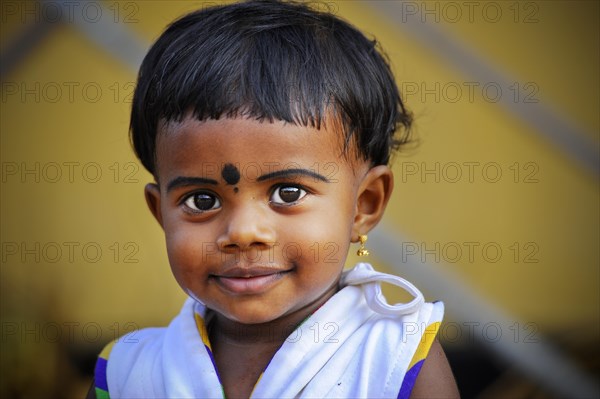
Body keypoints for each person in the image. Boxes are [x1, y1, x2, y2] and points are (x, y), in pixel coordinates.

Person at [88, 1, 459, 397]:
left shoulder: (396, 358)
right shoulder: (129, 371)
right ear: (161, 212)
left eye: (288, 193)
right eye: (201, 200)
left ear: (364, 205)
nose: (244, 233)